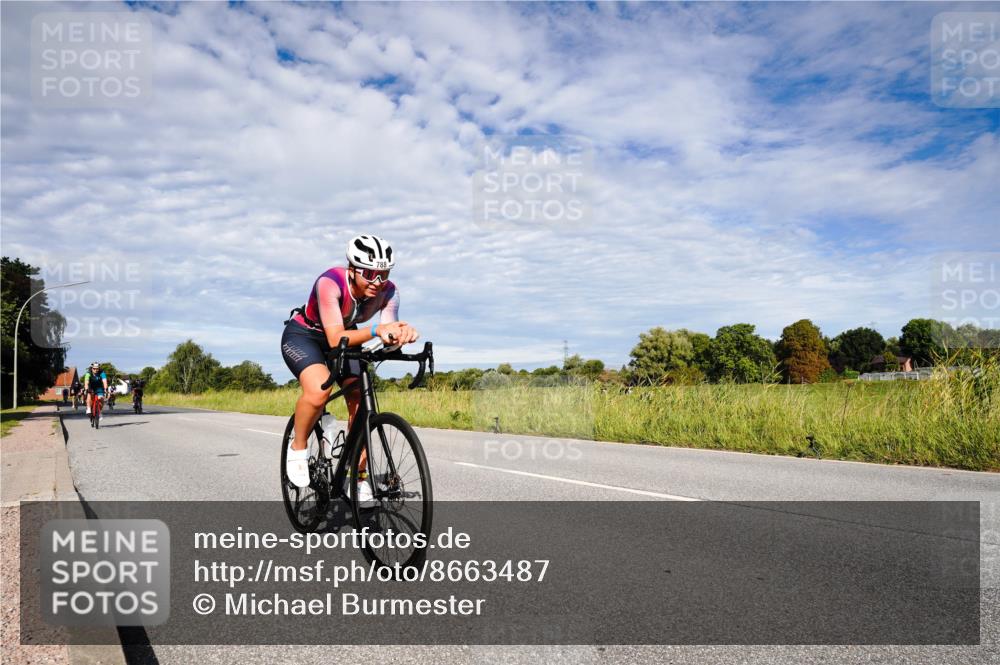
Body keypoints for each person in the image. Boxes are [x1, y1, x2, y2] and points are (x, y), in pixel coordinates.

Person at [280, 234, 419, 495]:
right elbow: (335, 338)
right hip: (306, 335)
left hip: (348, 335)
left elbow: (387, 332)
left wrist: (401, 335)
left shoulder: (390, 292)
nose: (377, 282)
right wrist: (379, 330)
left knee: (361, 402)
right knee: (320, 390)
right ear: (353, 270)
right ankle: (297, 447)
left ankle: (358, 476)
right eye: (369, 273)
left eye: (384, 273)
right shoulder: (330, 282)